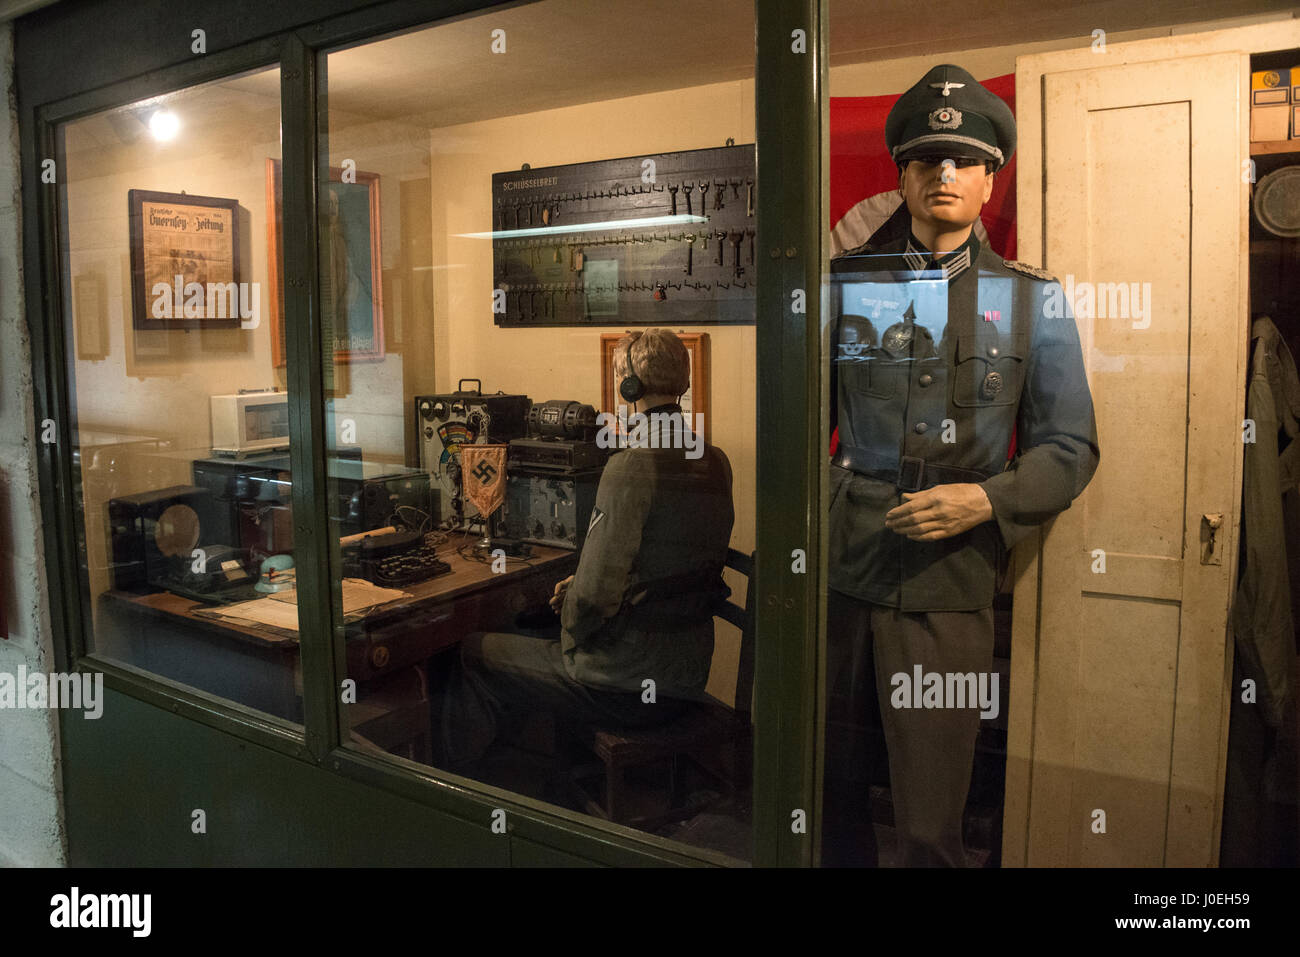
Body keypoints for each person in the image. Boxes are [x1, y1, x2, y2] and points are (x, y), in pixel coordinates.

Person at [823, 63, 1101, 866]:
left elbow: (1070, 446)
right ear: (903, 176)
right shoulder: (843, 289)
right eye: (926, 160)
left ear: (988, 182)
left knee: (929, 819)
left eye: (964, 161)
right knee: (826, 792)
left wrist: (985, 500)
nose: (944, 174)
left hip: (950, 582)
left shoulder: (1031, 300)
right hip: (843, 570)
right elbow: (801, 433)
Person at [438, 328, 735, 773]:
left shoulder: (631, 465)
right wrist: (584, 589)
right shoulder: (714, 460)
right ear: (685, 384)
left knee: (471, 649)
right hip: (687, 675)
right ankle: (548, 772)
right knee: (533, 635)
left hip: (625, 688)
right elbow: (669, 567)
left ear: (627, 387)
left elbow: (594, 599)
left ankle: (471, 787)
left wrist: (571, 612)